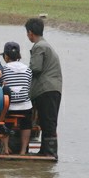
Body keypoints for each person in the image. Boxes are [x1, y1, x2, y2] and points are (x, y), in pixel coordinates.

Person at [25, 18, 62, 159]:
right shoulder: (45, 45)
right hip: (51, 89)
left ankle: (50, 153)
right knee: (47, 121)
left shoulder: (39, 46)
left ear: (30, 32)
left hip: (46, 89)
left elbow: (35, 68)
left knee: (48, 121)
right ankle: (45, 151)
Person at [0, 41, 33, 155]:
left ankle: (5, 148)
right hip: (25, 107)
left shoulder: (2, 70)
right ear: (18, 56)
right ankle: (23, 151)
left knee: (3, 120)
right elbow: (28, 87)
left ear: (6, 56)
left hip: (9, 107)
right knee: (27, 124)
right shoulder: (28, 69)